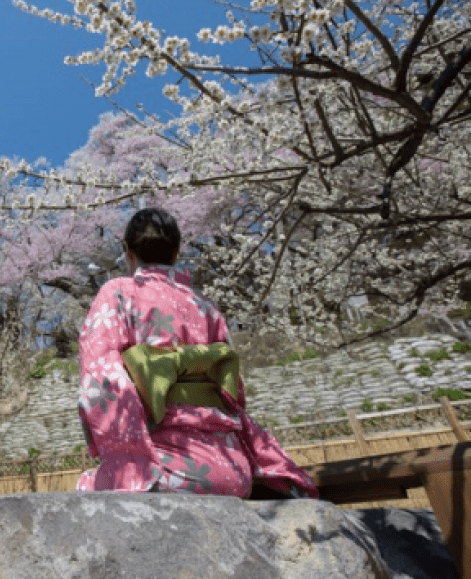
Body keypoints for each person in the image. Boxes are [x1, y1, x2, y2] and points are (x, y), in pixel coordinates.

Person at [76, 208, 318, 498]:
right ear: (177, 253)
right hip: (233, 470)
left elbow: (102, 382)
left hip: (169, 472)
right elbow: (232, 393)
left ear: (128, 253)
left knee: (87, 488)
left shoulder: (117, 293)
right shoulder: (205, 305)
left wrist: (126, 459)